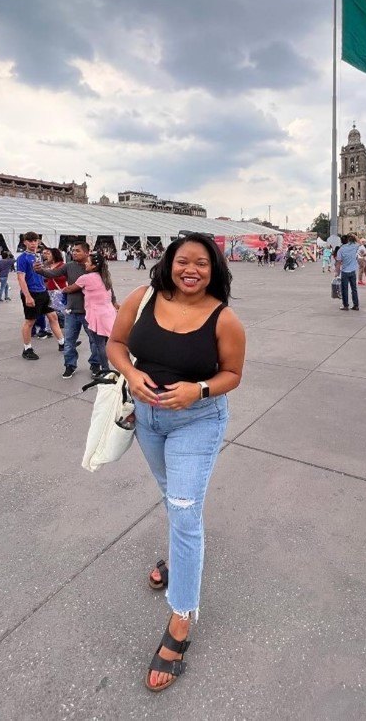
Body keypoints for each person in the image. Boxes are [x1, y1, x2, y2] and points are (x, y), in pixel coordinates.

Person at [107, 233, 245, 692]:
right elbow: (116, 345)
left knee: (184, 508)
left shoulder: (224, 319)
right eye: (183, 260)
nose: (191, 269)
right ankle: (180, 558)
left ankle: (182, 616)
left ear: (214, 270)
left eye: (202, 264)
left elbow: (233, 375)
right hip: (147, 419)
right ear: (168, 263)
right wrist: (131, 373)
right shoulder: (142, 298)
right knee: (175, 499)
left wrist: (197, 389)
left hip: (196, 421)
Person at [35, 240, 102, 379]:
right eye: (73, 250)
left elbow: (106, 285)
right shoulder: (69, 266)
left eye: (77, 250)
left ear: (87, 252)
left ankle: (95, 364)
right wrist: (40, 270)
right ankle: (70, 365)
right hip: (72, 310)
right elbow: (53, 274)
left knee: (94, 341)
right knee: (69, 341)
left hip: (90, 311)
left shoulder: (93, 267)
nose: (74, 253)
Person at [64, 252, 117, 372]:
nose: (85, 264)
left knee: (99, 345)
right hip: (109, 313)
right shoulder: (105, 276)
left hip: (96, 315)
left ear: (93, 266)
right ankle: (105, 367)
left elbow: (70, 289)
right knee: (105, 344)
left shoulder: (86, 278)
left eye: (88, 262)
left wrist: (61, 289)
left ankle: (105, 369)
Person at [16, 232, 65, 361]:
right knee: (30, 321)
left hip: (43, 292)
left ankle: (62, 343)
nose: (33, 243)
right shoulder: (22, 258)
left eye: (35, 241)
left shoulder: (39, 256)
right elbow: (21, 278)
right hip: (32, 293)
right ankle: (27, 349)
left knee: (53, 317)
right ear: (25, 242)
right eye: (30, 241)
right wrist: (27, 296)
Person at [337, 234, 360, 310]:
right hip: (353, 271)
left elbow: (339, 262)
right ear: (348, 240)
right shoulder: (353, 246)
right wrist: (353, 235)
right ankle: (356, 305)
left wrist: (337, 272)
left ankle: (345, 305)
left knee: (344, 289)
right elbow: (359, 241)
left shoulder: (340, 250)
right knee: (354, 289)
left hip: (344, 272)